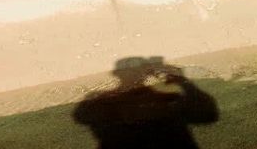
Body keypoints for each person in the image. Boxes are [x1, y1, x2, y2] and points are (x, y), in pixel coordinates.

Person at [73, 57, 218, 148]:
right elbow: (208, 115)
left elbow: (208, 115)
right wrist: (181, 80)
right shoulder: (166, 100)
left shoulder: (165, 99)